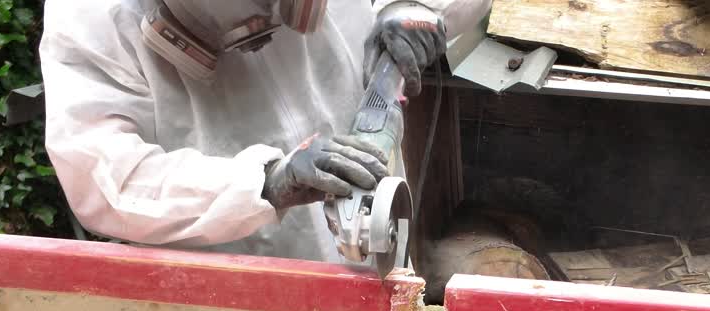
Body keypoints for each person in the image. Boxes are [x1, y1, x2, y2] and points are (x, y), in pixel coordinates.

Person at [40, 0, 488, 262]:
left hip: (377, 250)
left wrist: (416, 7)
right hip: (230, 299)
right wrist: (263, 183)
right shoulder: (92, 16)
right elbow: (103, 178)